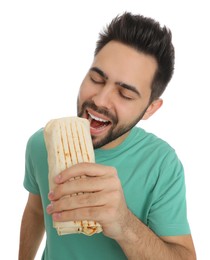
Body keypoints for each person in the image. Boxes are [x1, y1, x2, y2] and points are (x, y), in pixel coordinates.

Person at [18, 12, 196, 259]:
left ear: (150, 108)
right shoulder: (41, 143)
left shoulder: (162, 164)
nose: (99, 101)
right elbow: (36, 210)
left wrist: (124, 224)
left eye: (125, 94)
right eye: (96, 78)